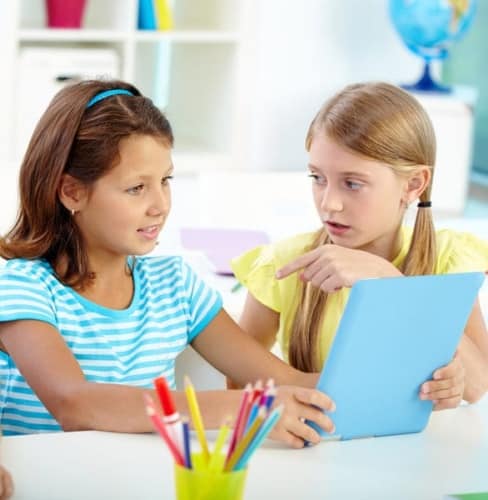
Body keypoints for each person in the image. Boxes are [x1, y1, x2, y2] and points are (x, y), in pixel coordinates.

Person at [0, 79, 335, 448]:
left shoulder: (175, 285)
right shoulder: (24, 287)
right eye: (136, 188)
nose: (160, 204)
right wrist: (244, 409)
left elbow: (284, 380)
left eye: (165, 180)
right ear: (72, 192)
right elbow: (75, 404)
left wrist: (399, 381)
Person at [231, 82, 488, 408]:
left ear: (413, 185)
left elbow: (480, 387)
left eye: (352, 183)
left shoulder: (448, 261)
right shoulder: (286, 264)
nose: (329, 204)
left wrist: (391, 283)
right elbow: (236, 381)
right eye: (317, 178)